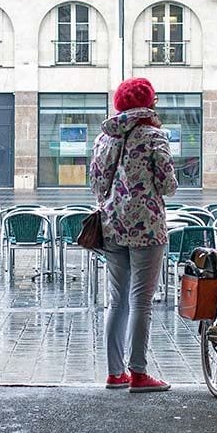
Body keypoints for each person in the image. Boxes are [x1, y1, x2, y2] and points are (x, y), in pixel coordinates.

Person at [89, 77, 178, 393]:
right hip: (147, 228)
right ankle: (138, 373)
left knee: (117, 301)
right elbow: (169, 185)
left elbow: (96, 182)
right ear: (149, 103)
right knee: (141, 301)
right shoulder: (154, 137)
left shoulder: (104, 139)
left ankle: (115, 373)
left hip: (112, 225)